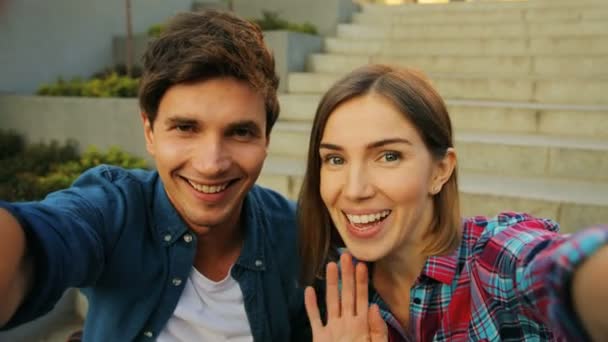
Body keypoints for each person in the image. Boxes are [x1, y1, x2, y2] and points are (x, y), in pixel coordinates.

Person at [0, 10, 309, 341]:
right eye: (186, 128)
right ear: (149, 131)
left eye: (241, 132)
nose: (211, 164)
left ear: (266, 139)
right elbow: (41, 244)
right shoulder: (114, 210)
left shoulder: (298, 235)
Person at [297, 64, 608, 341]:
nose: (354, 190)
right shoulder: (334, 291)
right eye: (335, 159)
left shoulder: (495, 259)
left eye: (388, 156)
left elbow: (561, 268)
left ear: (440, 170)